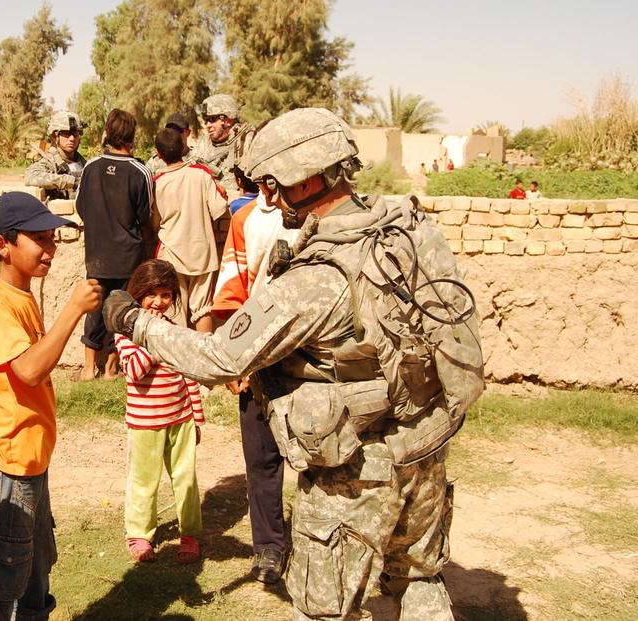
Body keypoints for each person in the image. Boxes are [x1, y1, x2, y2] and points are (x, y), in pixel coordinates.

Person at [103, 107, 484, 621]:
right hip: (425, 450)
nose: (270, 199)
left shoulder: (315, 279)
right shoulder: (408, 231)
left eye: (274, 184)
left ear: (307, 179)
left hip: (354, 472)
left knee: (322, 608)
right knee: (420, 581)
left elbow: (218, 356)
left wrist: (135, 323)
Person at [0, 192, 103, 621]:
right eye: (40, 239)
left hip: (30, 458)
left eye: (53, 239)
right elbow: (26, 371)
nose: (51, 249)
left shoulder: (20, 294)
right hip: (10, 463)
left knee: (35, 570)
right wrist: (72, 312)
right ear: (2, 245)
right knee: (9, 583)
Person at [211, 190, 294, 585]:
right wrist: (234, 359)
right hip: (260, 359)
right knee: (262, 458)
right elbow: (232, 293)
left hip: (316, 359)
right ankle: (269, 547)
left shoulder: (328, 212)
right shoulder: (248, 219)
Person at [115, 259, 204, 564]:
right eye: (151, 294)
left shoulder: (174, 330)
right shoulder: (125, 334)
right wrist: (153, 338)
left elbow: (187, 373)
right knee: (144, 479)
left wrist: (197, 418)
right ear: (137, 294)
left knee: (186, 478)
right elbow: (136, 372)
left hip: (181, 418)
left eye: (166, 294)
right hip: (145, 421)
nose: (158, 301)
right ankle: (139, 535)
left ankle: (190, 535)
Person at [74, 109, 152, 381]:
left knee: (94, 309)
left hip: (96, 254)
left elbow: (80, 207)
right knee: (124, 310)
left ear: (108, 133)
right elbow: (145, 216)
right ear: (132, 137)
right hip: (129, 257)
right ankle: (111, 367)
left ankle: (87, 367)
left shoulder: (91, 167)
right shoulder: (140, 171)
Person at [150, 128, 228, 333]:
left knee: (173, 309)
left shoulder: (157, 184)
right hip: (202, 254)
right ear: (183, 147)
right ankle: (204, 359)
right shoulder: (201, 174)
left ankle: (175, 361)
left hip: (171, 255)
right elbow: (220, 209)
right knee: (202, 309)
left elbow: (154, 222)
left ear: (158, 154)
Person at [189, 94, 254, 193]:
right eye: (205, 120)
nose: (208, 125)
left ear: (228, 120)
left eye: (212, 120)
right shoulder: (204, 142)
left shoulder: (246, 141)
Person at [24, 111, 88, 199]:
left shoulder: (85, 164)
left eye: (75, 134)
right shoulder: (49, 163)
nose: (72, 138)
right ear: (55, 136)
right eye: (66, 134)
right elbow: (30, 176)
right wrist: (70, 181)